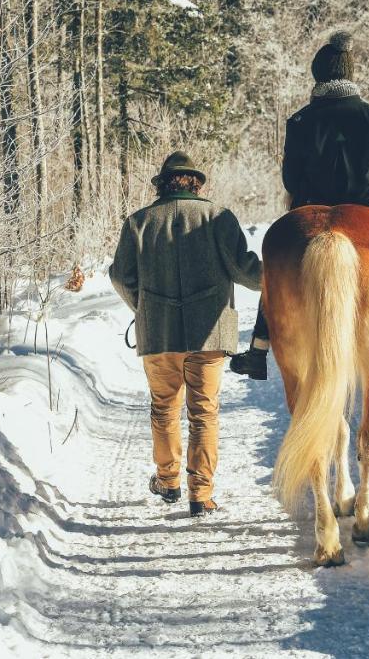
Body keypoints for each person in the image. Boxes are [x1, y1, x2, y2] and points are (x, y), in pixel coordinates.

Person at [228, 31, 369, 390]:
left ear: (317, 75)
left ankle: (258, 349)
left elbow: (291, 179)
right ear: (350, 74)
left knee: (277, 269)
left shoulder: (299, 122)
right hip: (368, 209)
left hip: (310, 212)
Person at [110, 151, 263, 517]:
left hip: (159, 333)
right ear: (196, 182)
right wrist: (279, 273)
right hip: (208, 334)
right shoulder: (217, 217)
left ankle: (168, 481)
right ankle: (202, 495)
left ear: (163, 183)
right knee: (204, 413)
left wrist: (142, 306)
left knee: (164, 409)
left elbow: (120, 277)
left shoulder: (139, 222)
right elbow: (248, 274)